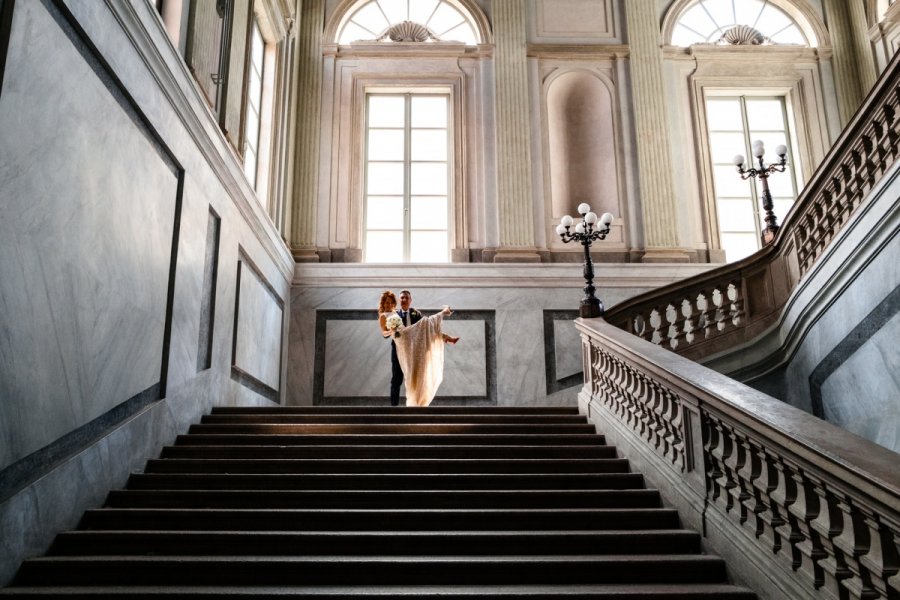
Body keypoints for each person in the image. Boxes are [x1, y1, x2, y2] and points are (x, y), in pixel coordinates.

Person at [377, 289, 458, 407]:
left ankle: (416, 404)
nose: (404, 300)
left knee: (415, 378)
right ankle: (393, 409)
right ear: (398, 301)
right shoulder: (393, 314)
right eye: (402, 298)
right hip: (399, 349)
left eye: (406, 298)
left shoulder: (415, 313)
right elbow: (384, 334)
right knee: (397, 379)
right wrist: (391, 331)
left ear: (410, 300)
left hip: (414, 350)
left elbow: (425, 330)